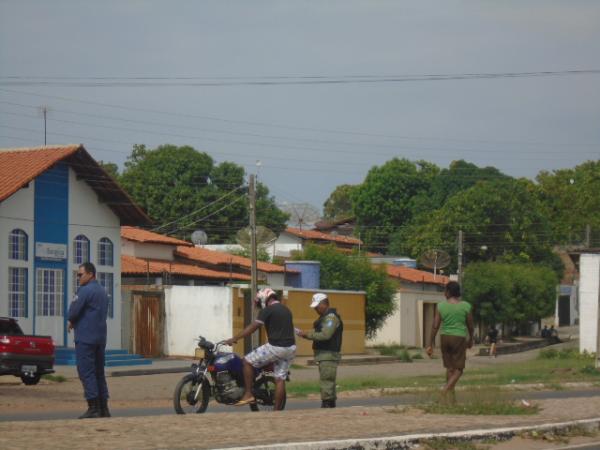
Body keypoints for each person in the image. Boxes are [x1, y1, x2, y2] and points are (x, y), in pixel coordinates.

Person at [224, 287, 296, 411]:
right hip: (290, 349)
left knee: (247, 361)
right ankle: (277, 411)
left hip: (275, 347)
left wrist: (235, 338)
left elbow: (253, 327)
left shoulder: (268, 310)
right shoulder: (286, 309)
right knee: (279, 379)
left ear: (264, 299)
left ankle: (248, 394)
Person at [67, 262, 110, 419]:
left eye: (80, 274)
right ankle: (104, 407)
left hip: (85, 337)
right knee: (99, 372)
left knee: (86, 371)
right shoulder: (103, 291)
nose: (78, 277)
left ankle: (93, 407)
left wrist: (71, 321)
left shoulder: (85, 290)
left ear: (90, 274)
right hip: (100, 337)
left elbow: (73, 312)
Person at [426, 281, 474, 401]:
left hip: (445, 337)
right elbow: (470, 325)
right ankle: (444, 391)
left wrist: (430, 343)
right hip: (459, 338)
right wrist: (471, 338)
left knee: (449, 367)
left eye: (445, 290)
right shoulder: (466, 306)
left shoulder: (441, 306)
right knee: (459, 369)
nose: (444, 293)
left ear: (448, 292)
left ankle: (451, 400)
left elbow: (435, 325)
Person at [296, 293, 344, 408]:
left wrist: (307, 334)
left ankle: (327, 406)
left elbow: (325, 335)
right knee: (328, 384)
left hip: (328, 355)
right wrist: (306, 334)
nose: (315, 309)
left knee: (327, 384)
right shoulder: (324, 318)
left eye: (317, 306)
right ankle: (330, 406)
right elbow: (319, 332)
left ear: (325, 304)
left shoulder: (331, 318)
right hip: (324, 355)